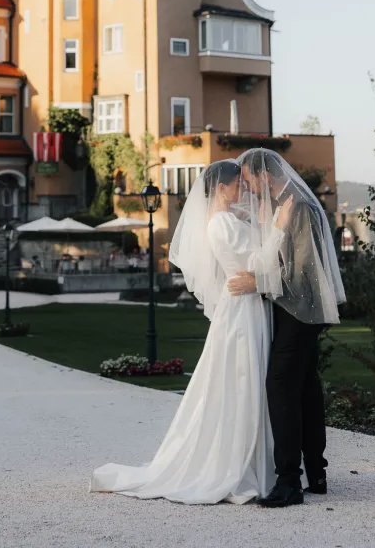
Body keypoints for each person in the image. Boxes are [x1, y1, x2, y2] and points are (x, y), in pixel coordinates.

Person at [90, 159, 277, 504]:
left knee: (246, 380)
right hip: (244, 308)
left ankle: (256, 459)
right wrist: (274, 231)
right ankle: (239, 463)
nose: (244, 190)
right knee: (242, 380)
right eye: (238, 184)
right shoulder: (223, 223)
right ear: (221, 188)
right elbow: (262, 263)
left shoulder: (228, 220)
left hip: (245, 303)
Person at [227, 148, 346, 508]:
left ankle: (289, 482)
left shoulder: (301, 208)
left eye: (248, 179)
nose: (246, 188)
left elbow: (306, 272)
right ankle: (316, 473)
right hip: (290, 310)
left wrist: (258, 282)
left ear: (264, 175)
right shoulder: (279, 207)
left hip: (302, 311)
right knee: (306, 388)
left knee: (279, 385)